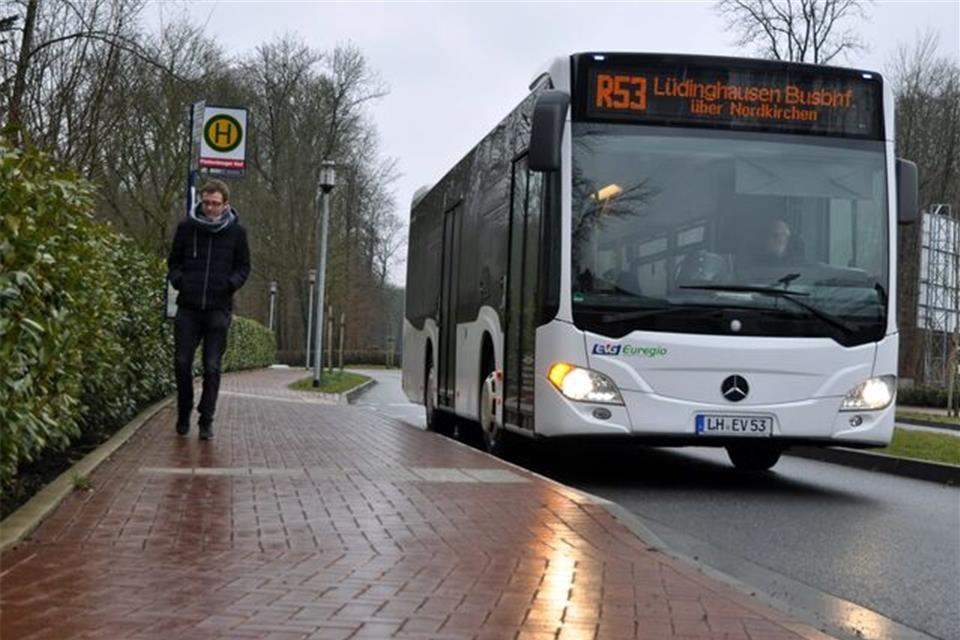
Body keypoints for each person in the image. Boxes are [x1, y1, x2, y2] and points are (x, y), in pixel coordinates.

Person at [167, 179, 250, 440]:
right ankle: (183, 411)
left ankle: (206, 418)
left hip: (218, 308)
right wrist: (180, 281)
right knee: (182, 363)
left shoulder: (237, 233)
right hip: (188, 308)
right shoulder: (186, 228)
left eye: (215, 204)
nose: (210, 208)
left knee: (212, 366)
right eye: (206, 203)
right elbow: (174, 263)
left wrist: (230, 285)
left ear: (226, 205)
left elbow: (243, 267)